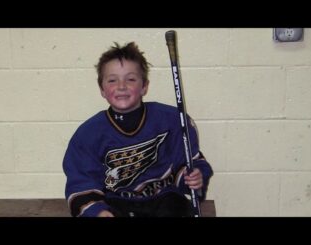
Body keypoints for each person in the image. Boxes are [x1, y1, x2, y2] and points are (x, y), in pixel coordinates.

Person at [63, 42, 213, 217]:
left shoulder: (172, 120)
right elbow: (82, 181)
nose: (121, 86)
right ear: (102, 89)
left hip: (164, 199)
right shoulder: (88, 134)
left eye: (131, 79)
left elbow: (189, 161)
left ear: (144, 86)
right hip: (116, 202)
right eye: (112, 80)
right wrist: (99, 212)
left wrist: (194, 176)